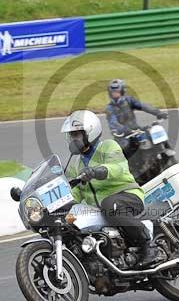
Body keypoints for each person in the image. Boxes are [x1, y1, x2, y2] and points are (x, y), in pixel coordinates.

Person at [62, 110, 159, 268]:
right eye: (72, 135)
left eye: (77, 134)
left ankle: (148, 245)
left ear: (90, 132)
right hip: (103, 208)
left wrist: (96, 171)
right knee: (70, 221)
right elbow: (77, 191)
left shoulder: (108, 146)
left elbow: (118, 167)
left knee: (110, 205)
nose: (74, 139)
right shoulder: (76, 164)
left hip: (127, 196)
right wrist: (62, 203)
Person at [105, 79, 167, 157]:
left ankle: (162, 153)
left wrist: (158, 113)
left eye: (117, 92)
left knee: (153, 133)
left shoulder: (129, 100)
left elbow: (143, 106)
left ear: (122, 92)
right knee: (128, 152)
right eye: (113, 93)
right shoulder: (110, 108)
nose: (115, 95)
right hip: (123, 136)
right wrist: (126, 130)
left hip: (136, 129)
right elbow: (113, 123)